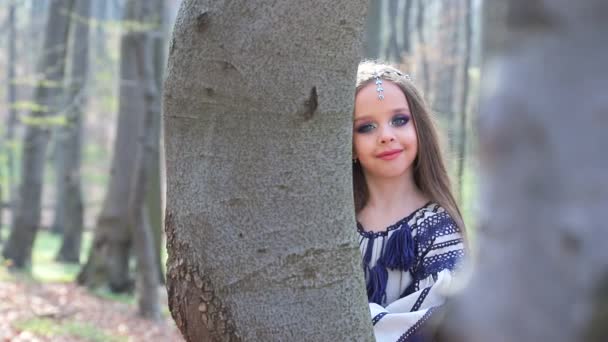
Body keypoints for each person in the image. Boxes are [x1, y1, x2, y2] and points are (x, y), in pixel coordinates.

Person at [352, 61, 466, 341]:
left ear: (419, 129)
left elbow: (432, 322)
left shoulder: (437, 229)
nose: (386, 136)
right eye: (366, 127)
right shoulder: (334, 219)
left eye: (399, 120)